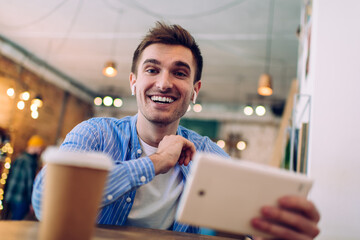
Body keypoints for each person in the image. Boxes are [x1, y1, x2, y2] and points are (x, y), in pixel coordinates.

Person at [32, 22, 320, 239]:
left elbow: (240, 229)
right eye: (152, 69)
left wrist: (274, 229)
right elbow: (46, 202)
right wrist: (155, 162)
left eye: (179, 73)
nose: (164, 83)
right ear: (134, 81)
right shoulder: (95, 134)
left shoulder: (210, 157)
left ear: (195, 90)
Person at [5, 135, 45, 220]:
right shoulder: (30, 161)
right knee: (16, 223)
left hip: (12, 195)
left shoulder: (19, 157)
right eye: (40, 148)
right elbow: (30, 183)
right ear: (35, 146)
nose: (41, 150)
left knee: (10, 221)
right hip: (22, 199)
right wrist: (32, 202)